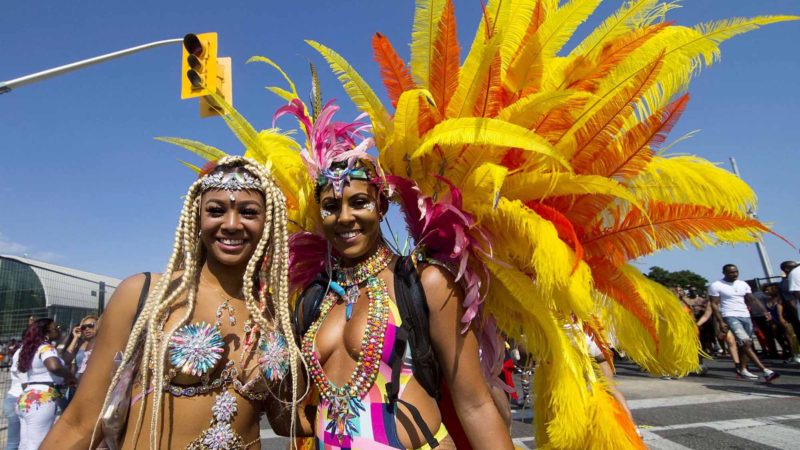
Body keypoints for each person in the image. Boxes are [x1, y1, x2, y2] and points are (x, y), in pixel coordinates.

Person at [281, 99, 513, 448]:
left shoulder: (424, 282)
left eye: (358, 202)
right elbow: (292, 413)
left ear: (381, 205)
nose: (345, 217)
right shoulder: (314, 298)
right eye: (331, 206)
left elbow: (475, 404)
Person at [42, 157, 299, 449]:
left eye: (248, 212)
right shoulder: (146, 294)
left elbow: (285, 419)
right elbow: (81, 421)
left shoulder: (274, 315)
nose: (231, 224)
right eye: (216, 210)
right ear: (197, 216)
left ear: (269, 223)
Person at [12, 319, 76, 450]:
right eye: (55, 327)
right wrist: (70, 376)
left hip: (26, 398)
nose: (58, 329)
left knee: (24, 444)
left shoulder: (30, 349)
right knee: (37, 444)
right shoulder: (46, 347)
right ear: (46, 333)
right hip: (41, 400)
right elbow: (54, 366)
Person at [708, 264, 779, 382]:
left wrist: (764, 311)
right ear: (724, 273)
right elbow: (714, 304)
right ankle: (765, 370)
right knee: (745, 341)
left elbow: (752, 299)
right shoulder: (716, 285)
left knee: (745, 344)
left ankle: (742, 370)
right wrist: (720, 321)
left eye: (736, 272)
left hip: (745, 315)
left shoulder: (743, 284)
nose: (734, 274)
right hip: (730, 315)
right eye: (731, 272)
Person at [764, 283, 800, 364]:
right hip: (774, 320)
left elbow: (780, 307)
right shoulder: (768, 300)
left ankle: (795, 354)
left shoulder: (780, 298)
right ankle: (786, 350)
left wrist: (781, 318)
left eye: (767, 289)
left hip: (784, 319)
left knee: (789, 336)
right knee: (777, 335)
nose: (766, 292)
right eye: (765, 290)